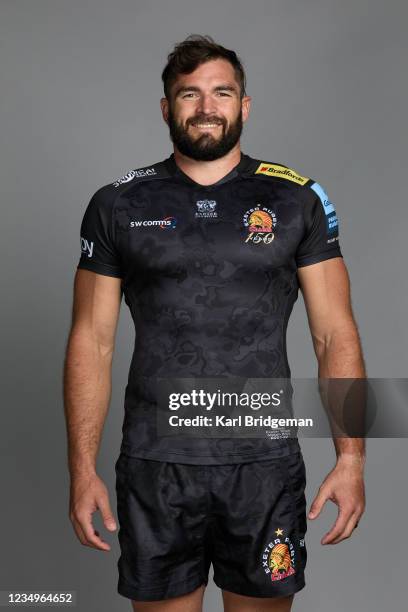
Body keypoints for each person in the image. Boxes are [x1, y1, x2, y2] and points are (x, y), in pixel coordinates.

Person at [64, 34, 366, 612]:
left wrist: (351, 459)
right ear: (166, 108)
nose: (206, 106)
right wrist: (81, 470)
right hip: (157, 465)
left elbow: (335, 336)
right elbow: (92, 342)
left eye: (221, 92)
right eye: (189, 94)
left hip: (264, 464)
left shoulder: (296, 198)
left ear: (243, 106)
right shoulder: (117, 204)